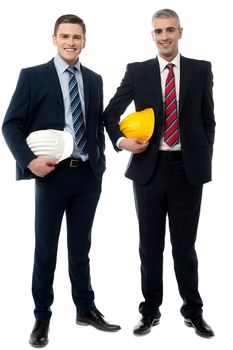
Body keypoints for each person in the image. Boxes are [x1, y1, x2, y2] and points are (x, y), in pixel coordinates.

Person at [2, 14, 120, 348]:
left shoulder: (94, 79)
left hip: (87, 176)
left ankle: (85, 309)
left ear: (85, 41)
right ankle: (42, 316)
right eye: (65, 36)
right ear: (54, 38)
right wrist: (29, 162)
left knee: (81, 248)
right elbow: (10, 125)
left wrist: (101, 160)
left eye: (77, 37)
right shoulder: (33, 76)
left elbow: (97, 123)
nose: (71, 42)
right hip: (51, 175)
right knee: (46, 249)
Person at [103, 9, 215, 338]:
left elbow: (209, 119)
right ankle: (150, 311)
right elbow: (111, 112)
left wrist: (202, 157)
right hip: (148, 171)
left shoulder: (200, 69)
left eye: (169, 30)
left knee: (185, 248)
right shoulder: (138, 72)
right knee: (150, 247)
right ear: (151, 35)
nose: (164, 36)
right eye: (158, 31)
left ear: (180, 31)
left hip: (187, 171)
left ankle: (193, 311)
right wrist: (122, 141)